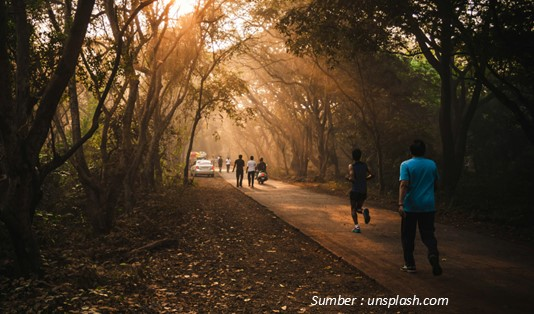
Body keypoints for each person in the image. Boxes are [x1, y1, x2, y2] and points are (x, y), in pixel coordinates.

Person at [398, 140, 442, 276]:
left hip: (410, 206)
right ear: (424, 151)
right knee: (428, 234)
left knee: (407, 235)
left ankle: (410, 264)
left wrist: (400, 203)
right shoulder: (432, 164)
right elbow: (436, 184)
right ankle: (433, 254)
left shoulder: (406, 165)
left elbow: (404, 184)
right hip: (428, 206)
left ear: (410, 151)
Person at [346, 148, 373, 234]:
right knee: (358, 208)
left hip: (355, 190)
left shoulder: (351, 166)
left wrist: (347, 178)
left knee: (353, 209)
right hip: (363, 191)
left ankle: (357, 227)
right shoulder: (364, 165)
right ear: (360, 156)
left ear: (353, 156)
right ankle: (364, 210)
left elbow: (352, 178)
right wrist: (365, 179)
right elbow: (372, 174)